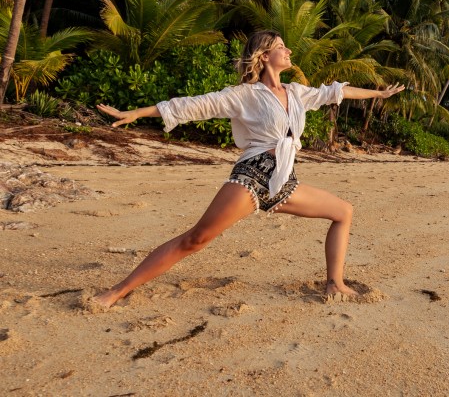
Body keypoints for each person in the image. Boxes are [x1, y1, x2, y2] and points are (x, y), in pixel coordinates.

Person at [92, 30, 404, 307]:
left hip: (284, 182)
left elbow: (336, 92)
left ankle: (334, 283)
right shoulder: (245, 95)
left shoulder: (297, 93)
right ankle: (119, 290)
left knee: (343, 211)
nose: (289, 51)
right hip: (253, 176)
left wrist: (379, 94)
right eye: (282, 46)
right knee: (196, 240)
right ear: (265, 55)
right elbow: (192, 105)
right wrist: (135, 112)